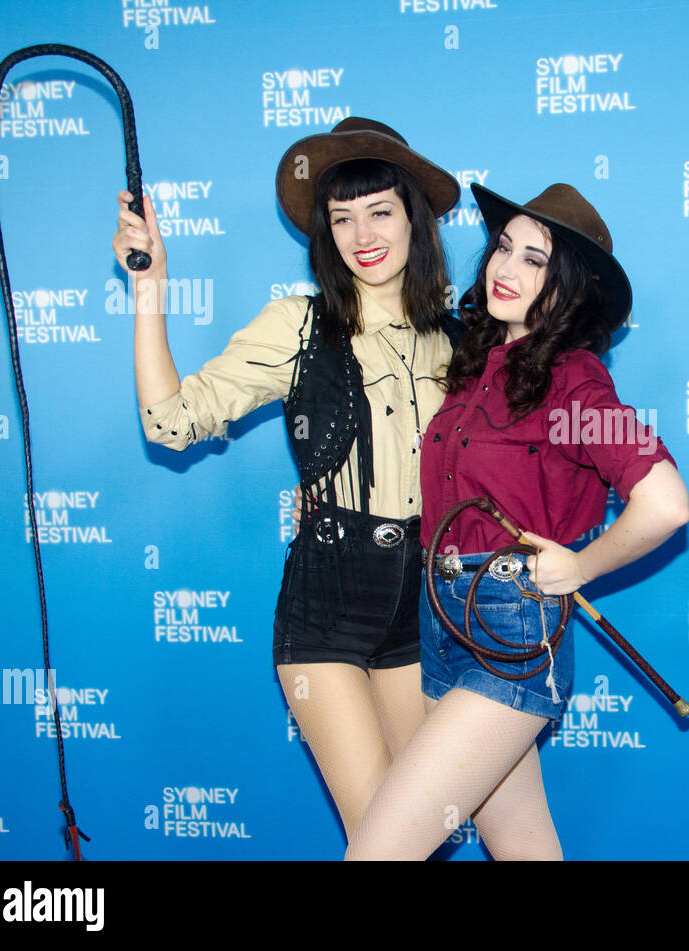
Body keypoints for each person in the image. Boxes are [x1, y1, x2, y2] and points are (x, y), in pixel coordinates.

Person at [112, 117, 461, 842]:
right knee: (381, 835)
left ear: (414, 219)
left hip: (419, 605)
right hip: (326, 607)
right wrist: (153, 288)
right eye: (341, 217)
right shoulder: (296, 326)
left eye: (380, 211)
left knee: (423, 831)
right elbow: (170, 422)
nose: (361, 233)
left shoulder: (461, 338)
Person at [346, 183, 689, 860]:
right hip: (445, 620)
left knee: (379, 850)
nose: (505, 268)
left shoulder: (573, 381)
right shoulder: (476, 368)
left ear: (568, 289)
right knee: (525, 848)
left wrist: (583, 565)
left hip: (511, 629)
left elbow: (666, 502)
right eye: (504, 247)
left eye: (536, 260)